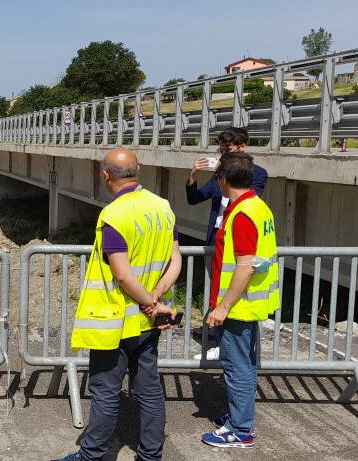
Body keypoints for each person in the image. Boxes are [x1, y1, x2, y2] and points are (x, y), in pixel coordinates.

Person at [59, 148, 183, 461]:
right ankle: (151, 455)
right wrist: (157, 297)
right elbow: (175, 260)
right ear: (137, 170)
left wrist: (148, 303)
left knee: (105, 391)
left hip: (115, 321)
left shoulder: (114, 215)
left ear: (105, 175)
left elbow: (123, 275)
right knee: (149, 389)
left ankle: (91, 455)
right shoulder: (163, 207)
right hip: (147, 322)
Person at [201, 153, 279, 449]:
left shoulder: (243, 214)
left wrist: (223, 306)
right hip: (249, 303)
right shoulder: (258, 207)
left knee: (237, 368)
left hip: (238, 306)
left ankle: (240, 429)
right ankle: (238, 418)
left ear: (223, 179)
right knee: (243, 365)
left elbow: (245, 265)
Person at [186, 127, 267, 360]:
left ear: (242, 148)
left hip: (238, 240)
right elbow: (194, 199)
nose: (223, 154)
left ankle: (228, 344)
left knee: (236, 292)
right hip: (216, 240)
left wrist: (229, 181)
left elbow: (251, 199)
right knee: (216, 291)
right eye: (221, 149)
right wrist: (193, 175)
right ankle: (218, 339)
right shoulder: (217, 175)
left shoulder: (257, 174)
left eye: (228, 150)